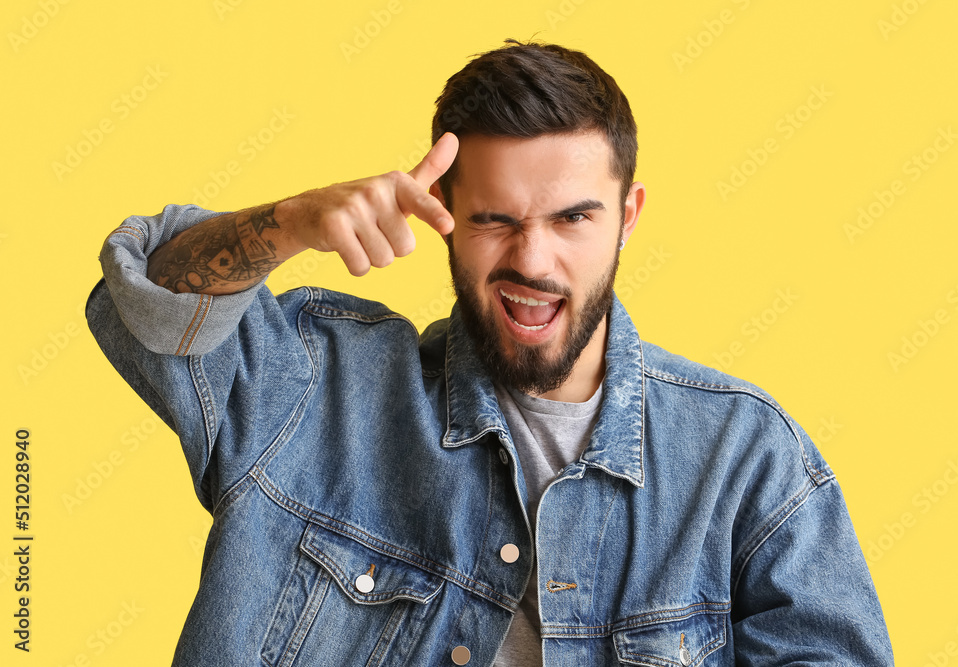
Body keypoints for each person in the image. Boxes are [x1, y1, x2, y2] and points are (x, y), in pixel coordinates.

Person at [87, 40, 893, 666]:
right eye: (495, 220)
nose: (533, 262)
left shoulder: (747, 461)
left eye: (573, 219)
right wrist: (290, 222)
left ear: (628, 214)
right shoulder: (313, 388)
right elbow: (144, 303)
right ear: (442, 207)